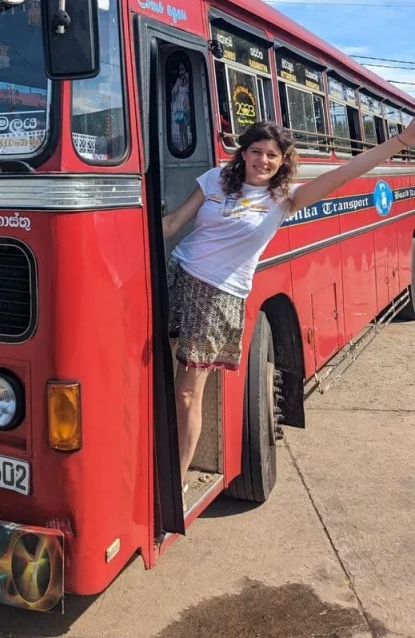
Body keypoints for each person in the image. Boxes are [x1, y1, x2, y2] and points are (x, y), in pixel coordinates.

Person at [162, 117, 415, 501]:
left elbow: (348, 171)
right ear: (243, 154)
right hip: (178, 275)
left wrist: (400, 141)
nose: (263, 160)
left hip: (218, 297)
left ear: (283, 161)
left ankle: (175, 483)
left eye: (272, 155)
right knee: (152, 371)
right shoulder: (215, 179)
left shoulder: (284, 199)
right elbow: (173, 223)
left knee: (186, 393)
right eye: (256, 152)